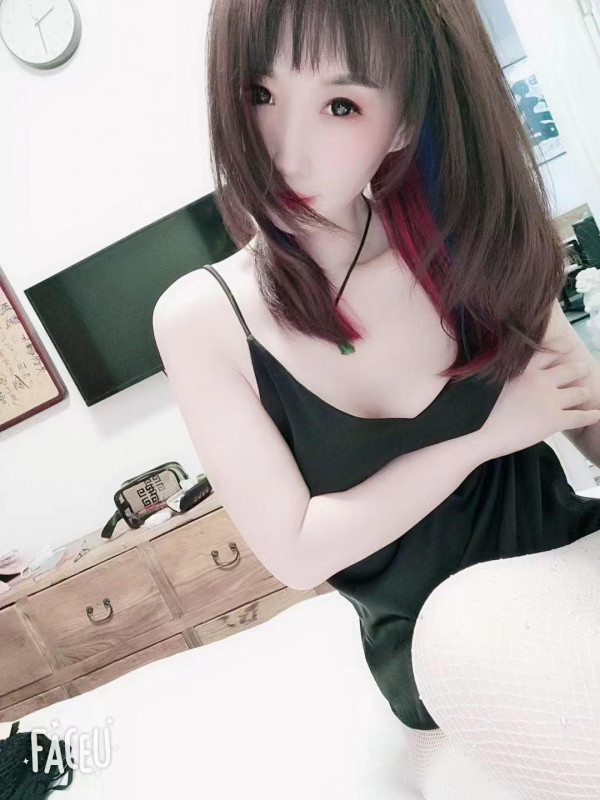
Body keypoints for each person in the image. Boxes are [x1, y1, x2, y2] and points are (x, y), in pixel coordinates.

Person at [152, 0, 600, 796]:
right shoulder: (204, 319)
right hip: (444, 646)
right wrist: (483, 437)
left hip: (572, 567)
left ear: (402, 126)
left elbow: (587, 410)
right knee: (472, 632)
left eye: (341, 105)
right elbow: (297, 551)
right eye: (259, 94)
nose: (283, 149)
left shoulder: (470, 241)